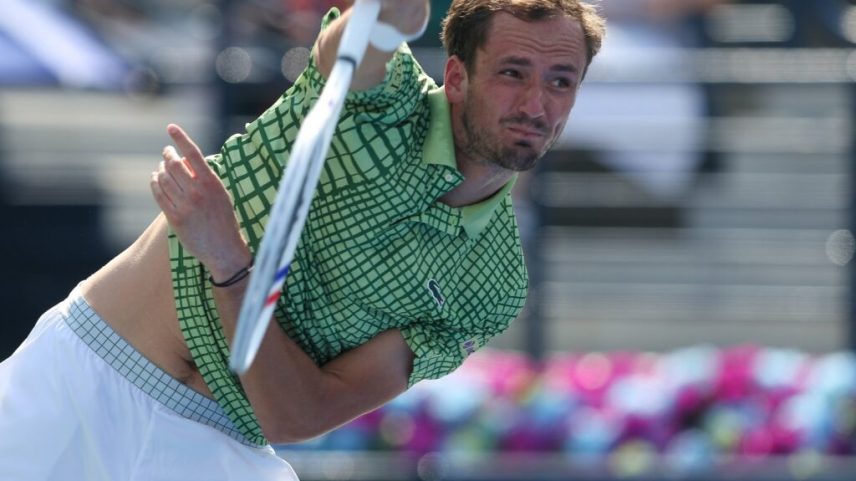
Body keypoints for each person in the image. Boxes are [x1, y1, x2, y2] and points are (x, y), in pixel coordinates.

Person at [0, 0, 606, 479]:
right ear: (455, 75)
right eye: (511, 73)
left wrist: (230, 261)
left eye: (561, 82)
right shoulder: (383, 99)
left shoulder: (495, 285)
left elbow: (299, 414)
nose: (536, 103)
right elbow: (350, 51)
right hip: (81, 373)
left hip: (219, 448)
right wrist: (387, 18)